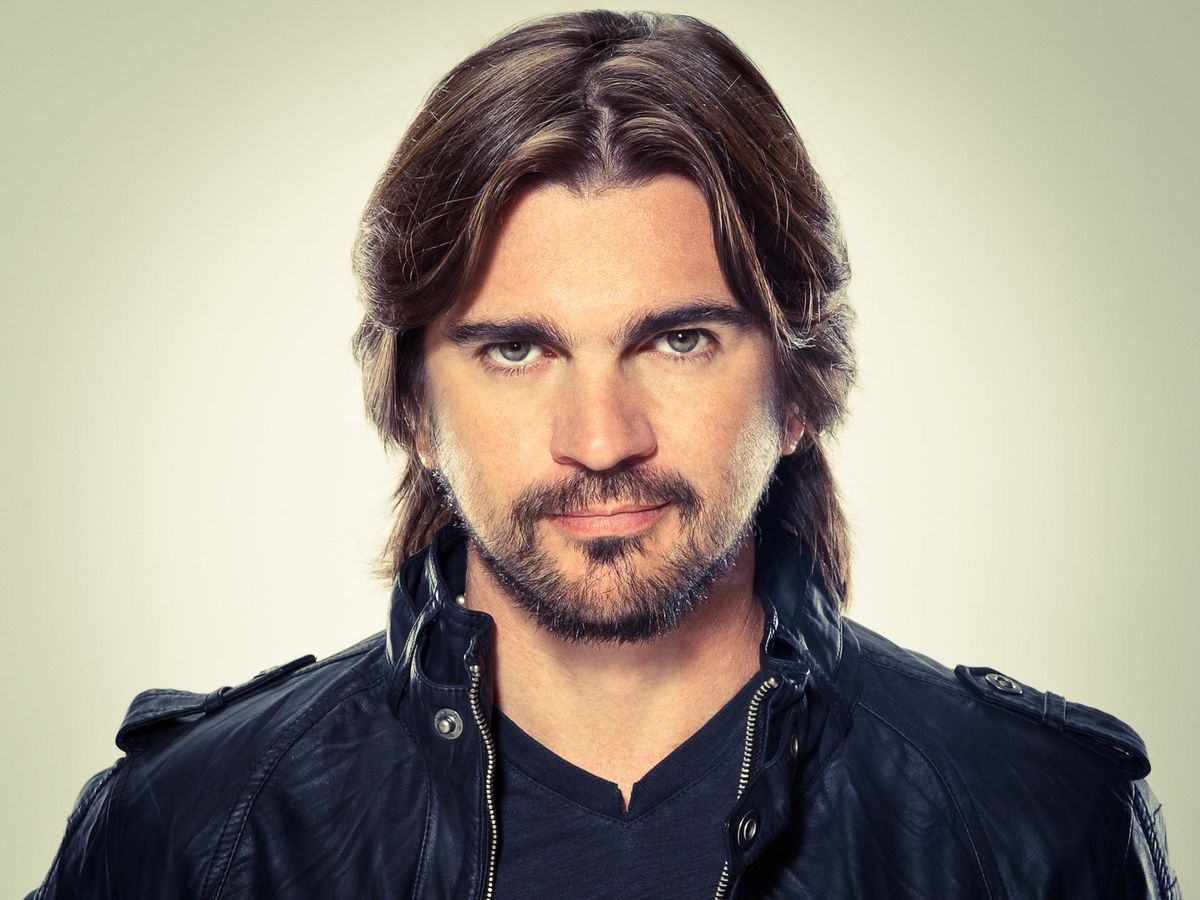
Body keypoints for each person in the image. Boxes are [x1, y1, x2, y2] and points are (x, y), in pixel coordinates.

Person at [31, 11, 1178, 899]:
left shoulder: (1029, 823)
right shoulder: (193, 828)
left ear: (798, 386)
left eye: (678, 340)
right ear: (414, 406)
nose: (600, 440)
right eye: (516, 349)